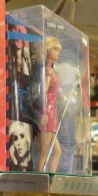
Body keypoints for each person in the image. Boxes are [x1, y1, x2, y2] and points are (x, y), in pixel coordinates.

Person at [37, 36, 63, 172]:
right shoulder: (48, 70)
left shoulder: (51, 69)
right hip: (48, 112)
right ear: (48, 50)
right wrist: (44, 113)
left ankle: (51, 178)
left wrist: (58, 96)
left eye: (59, 51)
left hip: (52, 112)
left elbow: (50, 92)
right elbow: (44, 92)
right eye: (56, 50)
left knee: (57, 151)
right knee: (45, 152)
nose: (58, 53)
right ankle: (41, 178)